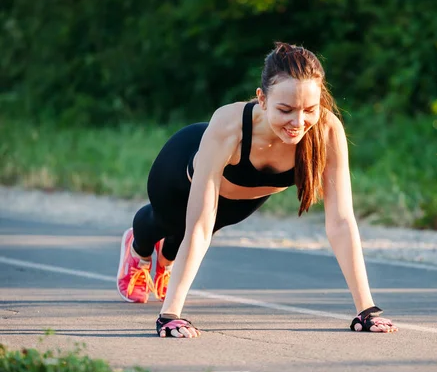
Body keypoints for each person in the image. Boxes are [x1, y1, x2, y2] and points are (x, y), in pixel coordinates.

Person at [116, 42, 398, 338]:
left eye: (310, 110)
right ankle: (138, 249)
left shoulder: (327, 131)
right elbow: (199, 224)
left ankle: (166, 261)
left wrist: (366, 310)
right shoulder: (229, 125)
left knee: (187, 239)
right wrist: (170, 315)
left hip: (240, 200)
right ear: (262, 99)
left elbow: (341, 222)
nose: (298, 122)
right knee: (169, 223)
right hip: (176, 178)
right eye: (285, 109)